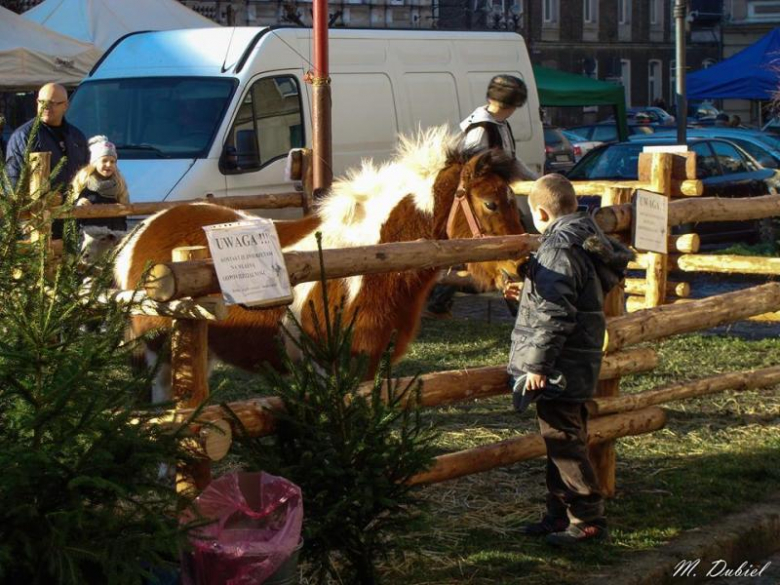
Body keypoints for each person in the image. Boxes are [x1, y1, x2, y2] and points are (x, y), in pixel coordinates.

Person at [508, 174, 632, 546]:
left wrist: (536, 366)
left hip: (558, 364)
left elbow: (554, 314)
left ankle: (588, 518)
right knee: (563, 437)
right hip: (578, 356)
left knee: (563, 441)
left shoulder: (557, 249)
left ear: (541, 213)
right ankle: (559, 513)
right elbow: (570, 297)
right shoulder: (586, 239)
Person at [425, 75, 538, 319]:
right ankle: (518, 308)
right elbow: (472, 164)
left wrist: (534, 177)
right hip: (486, 199)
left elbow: (510, 158)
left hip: (497, 195)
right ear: (510, 106)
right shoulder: (481, 128)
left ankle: (439, 300)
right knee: (513, 244)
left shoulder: (498, 124)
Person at [5, 83, 89, 238]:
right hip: (37, 222)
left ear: (65, 105)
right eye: (41, 102)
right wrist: (25, 219)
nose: (46, 107)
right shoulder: (24, 137)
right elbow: (13, 183)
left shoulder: (77, 137)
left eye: (52, 103)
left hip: (71, 221)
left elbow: (86, 175)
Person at [71, 135, 128, 232]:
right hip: (90, 237)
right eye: (104, 161)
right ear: (94, 163)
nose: (109, 165)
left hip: (114, 235)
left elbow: (123, 214)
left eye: (112, 161)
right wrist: (78, 204)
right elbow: (71, 207)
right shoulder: (85, 183)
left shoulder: (118, 184)